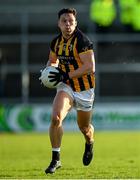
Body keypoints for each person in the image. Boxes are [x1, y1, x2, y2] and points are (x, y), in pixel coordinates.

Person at [44, 8, 96, 174]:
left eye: (71, 21)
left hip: (85, 89)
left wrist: (65, 75)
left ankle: (89, 143)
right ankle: (56, 159)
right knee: (55, 117)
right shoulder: (55, 42)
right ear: (58, 24)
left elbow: (90, 67)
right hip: (66, 86)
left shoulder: (82, 41)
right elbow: (52, 61)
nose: (68, 24)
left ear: (76, 23)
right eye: (64, 21)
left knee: (84, 128)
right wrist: (48, 72)